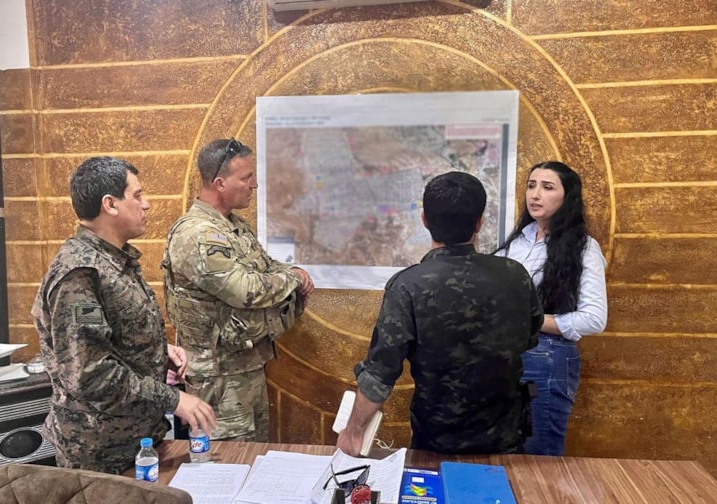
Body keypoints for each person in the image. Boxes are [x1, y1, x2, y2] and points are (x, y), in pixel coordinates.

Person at [32, 156, 217, 474]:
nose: (146, 204)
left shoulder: (113, 260)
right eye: (137, 195)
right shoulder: (80, 273)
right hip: (101, 455)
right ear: (110, 204)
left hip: (135, 443)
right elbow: (91, 375)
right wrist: (173, 400)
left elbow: (111, 337)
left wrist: (156, 352)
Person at [337, 171, 543, 457]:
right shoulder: (515, 275)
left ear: (425, 220)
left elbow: (380, 374)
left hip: (436, 444)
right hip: (506, 439)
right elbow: (531, 336)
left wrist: (354, 431)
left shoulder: (408, 286)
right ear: (479, 222)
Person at [161, 138, 314, 442]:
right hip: (218, 379)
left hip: (244, 367)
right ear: (220, 183)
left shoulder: (234, 226)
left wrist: (291, 273)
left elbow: (266, 267)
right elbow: (244, 290)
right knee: (226, 461)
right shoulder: (197, 234)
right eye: (246, 177)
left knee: (253, 455)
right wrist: (295, 280)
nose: (254, 184)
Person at [495, 160, 608, 456]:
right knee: (503, 450)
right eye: (531, 186)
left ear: (567, 197)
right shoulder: (516, 243)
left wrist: (529, 320)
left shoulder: (584, 247)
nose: (535, 195)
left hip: (548, 357)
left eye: (547, 187)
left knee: (539, 450)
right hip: (503, 356)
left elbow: (594, 319)